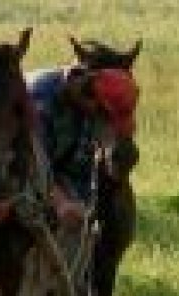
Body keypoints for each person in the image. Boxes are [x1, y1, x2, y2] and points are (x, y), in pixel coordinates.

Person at [26, 65, 138, 227]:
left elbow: (82, 165)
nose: (105, 124)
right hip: (17, 175)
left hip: (59, 173)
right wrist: (61, 203)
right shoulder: (40, 101)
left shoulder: (88, 103)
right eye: (105, 118)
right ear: (87, 97)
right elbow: (31, 165)